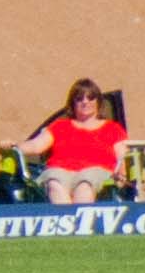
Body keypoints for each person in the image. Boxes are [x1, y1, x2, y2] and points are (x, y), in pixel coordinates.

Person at [32, 79, 127, 207]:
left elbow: (122, 156)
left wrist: (122, 175)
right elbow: (37, 145)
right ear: (73, 103)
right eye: (79, 98)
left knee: (85, 184)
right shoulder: (60, 126)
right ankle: (66, 220)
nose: (85, 102)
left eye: (91, 98)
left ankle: (78, 222)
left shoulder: (112, 129)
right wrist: (15, 146)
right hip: (61, 171)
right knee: (54, 181)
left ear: (98, 101)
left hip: (96, 172)